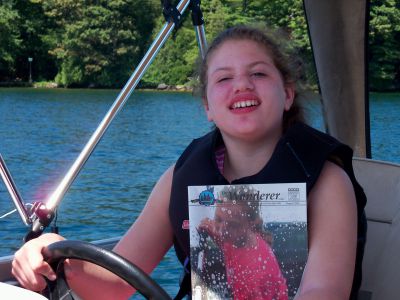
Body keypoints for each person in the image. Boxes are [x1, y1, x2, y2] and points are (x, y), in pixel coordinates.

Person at [12, 25, 367, 300]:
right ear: (208, 107)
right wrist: (51, 254)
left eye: (258, 74)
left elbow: (323, 292)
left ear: (287, 94)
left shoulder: (327, 181)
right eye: (224, 78)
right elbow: (113, 286)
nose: (242, 85)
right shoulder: (179, 179)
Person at [197, 185, 288, 300]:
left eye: (233, 225)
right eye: (218, 219)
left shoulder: (253, 276)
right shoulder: (237, 236)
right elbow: (224, 237)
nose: (221, 231)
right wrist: (208, 227)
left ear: (251, 224)